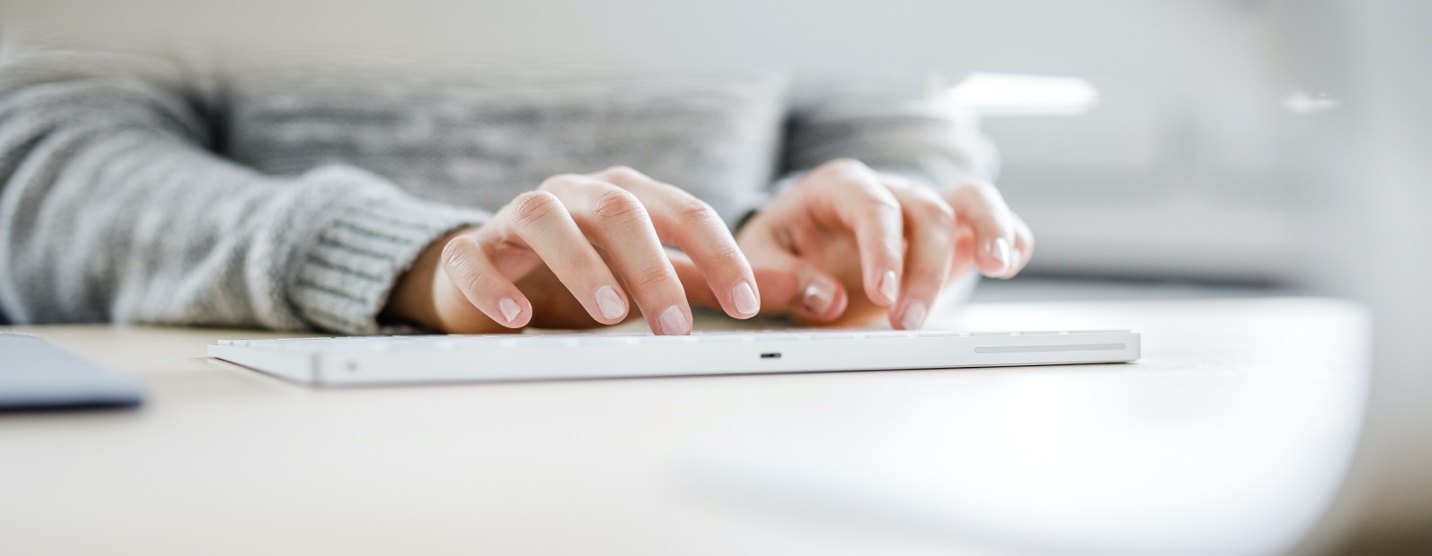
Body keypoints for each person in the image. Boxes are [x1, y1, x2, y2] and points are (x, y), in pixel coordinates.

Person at [0, 33, 1033, 336]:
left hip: (719, 418)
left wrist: (857, 238)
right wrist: (410, 264)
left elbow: (905, 144)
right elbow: (46, 166)